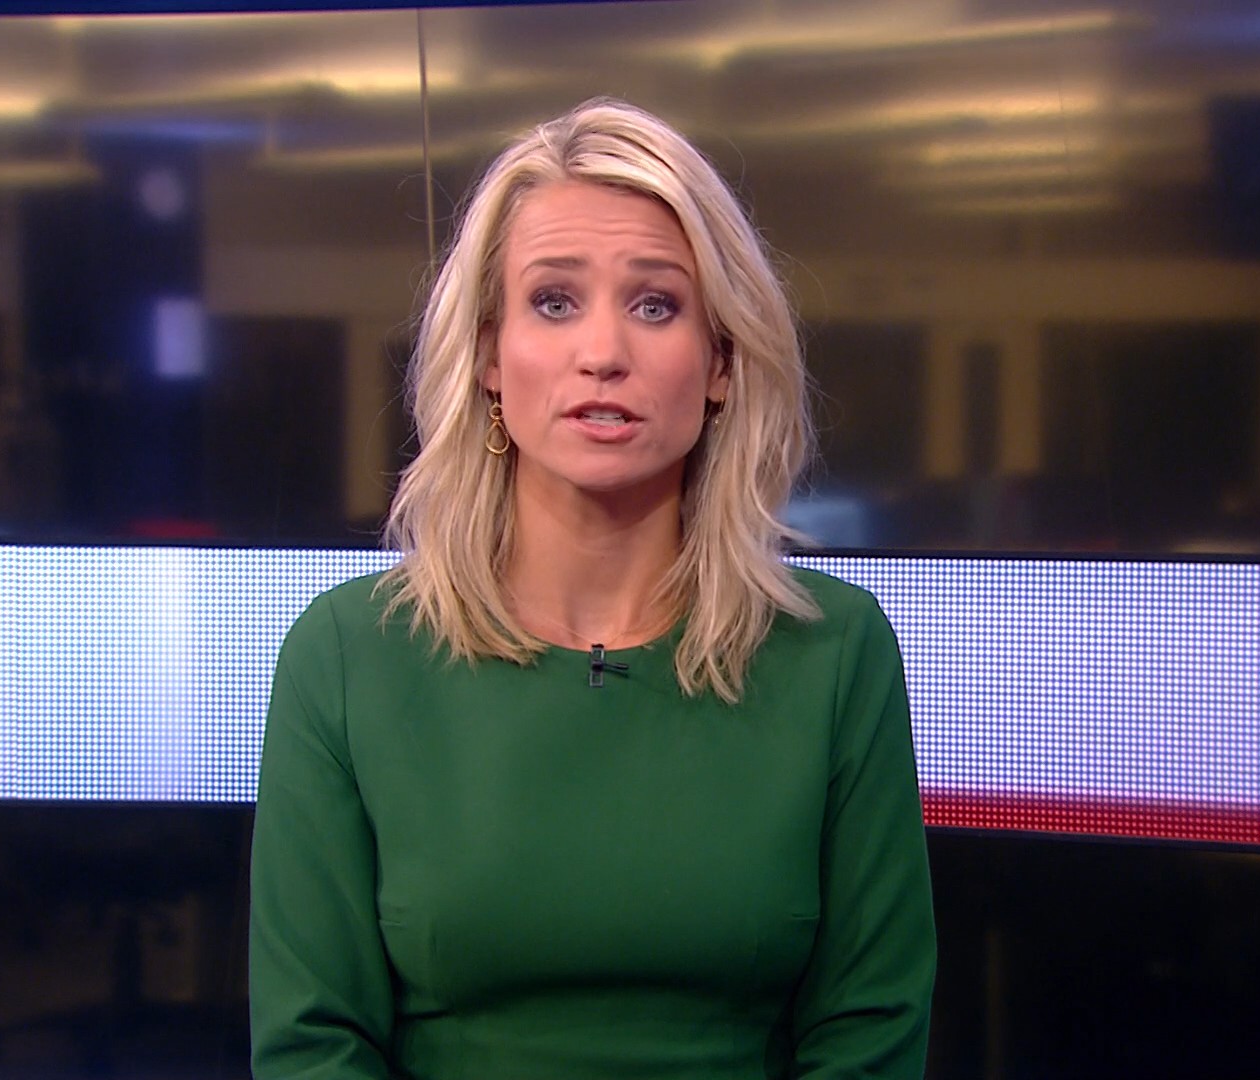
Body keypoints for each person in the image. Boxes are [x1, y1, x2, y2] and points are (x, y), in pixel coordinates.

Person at [250, 97, 935, 1079]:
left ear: (722, 362)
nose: (604, 352)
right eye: (554, 302)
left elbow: (868, 1031)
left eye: (655, 305)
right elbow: (312, 1047)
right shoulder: (347, 655)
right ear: (489, 356)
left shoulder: (836, 652)